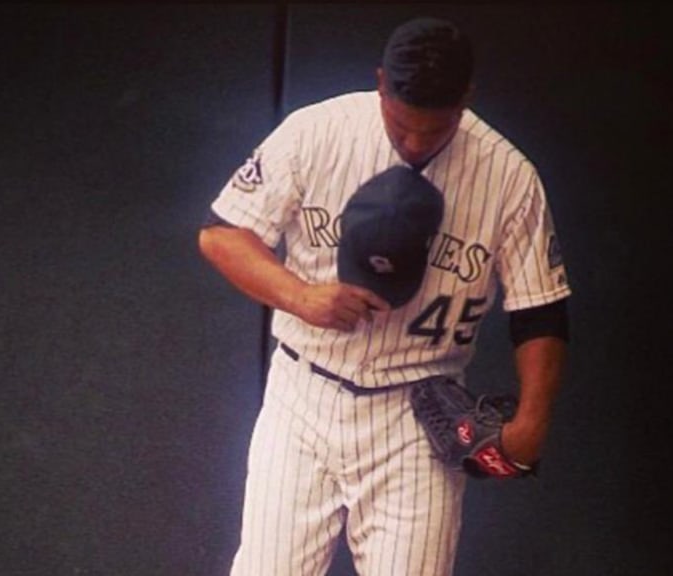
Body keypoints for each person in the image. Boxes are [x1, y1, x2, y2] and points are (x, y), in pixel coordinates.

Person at [198, 15, 571, 576]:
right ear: (380, 83)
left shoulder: (508, 176)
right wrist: (299, 296)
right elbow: (222, 233)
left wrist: (534, 420)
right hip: (304, 394)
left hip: (417, 413)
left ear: (466, 98)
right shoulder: (316, 133)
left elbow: (540, 307)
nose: (416, 142)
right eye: (401, 126)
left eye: (435, 129)